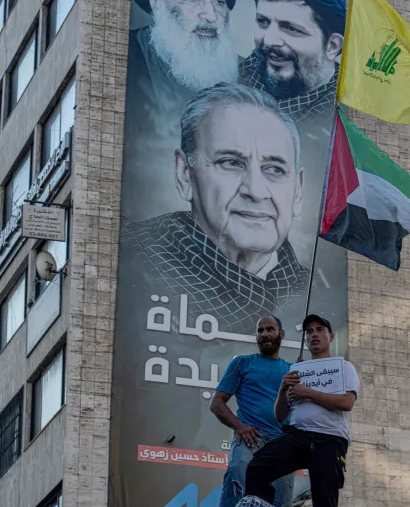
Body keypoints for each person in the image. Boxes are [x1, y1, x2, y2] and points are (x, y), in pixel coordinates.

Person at [122, 83, 310, 333]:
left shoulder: (318, 293)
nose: (255, 191)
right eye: (231, 162)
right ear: (184, 174)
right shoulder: (132, 260)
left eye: (274, 169)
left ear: (298, 190)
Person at [124, 0, 241, 219]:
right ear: (155, 0)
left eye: (218, 0)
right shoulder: (123, 57)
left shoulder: (250, 75)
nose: (210, 16)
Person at [245, 314, 359, 507]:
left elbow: (346, 403)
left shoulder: (345, 368)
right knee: (256, 468)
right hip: (298, 435)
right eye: (309, 332)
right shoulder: (297, 371)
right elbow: (280, 416)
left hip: (330, 439)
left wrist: (307, 392)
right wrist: (283, 388)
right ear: (305, 340)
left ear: (331, 336)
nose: (314, 334)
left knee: (324, 506)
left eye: (319, 330)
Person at [239, 0, 346, 121]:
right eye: (263, 22)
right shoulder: (232, 73)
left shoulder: (341, 119)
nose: (269, 40)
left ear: (332, 46)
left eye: (291, 29)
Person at [210, 316, 296, 507]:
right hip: (250, 439)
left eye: (270, 329)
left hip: (281, 444)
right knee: (236, 477)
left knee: (281, 506)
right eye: (260, 330)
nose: (265, 334)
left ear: (281, 334)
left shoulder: (293, 370)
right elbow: (216, 403)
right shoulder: (242, 363)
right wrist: (239, 426)